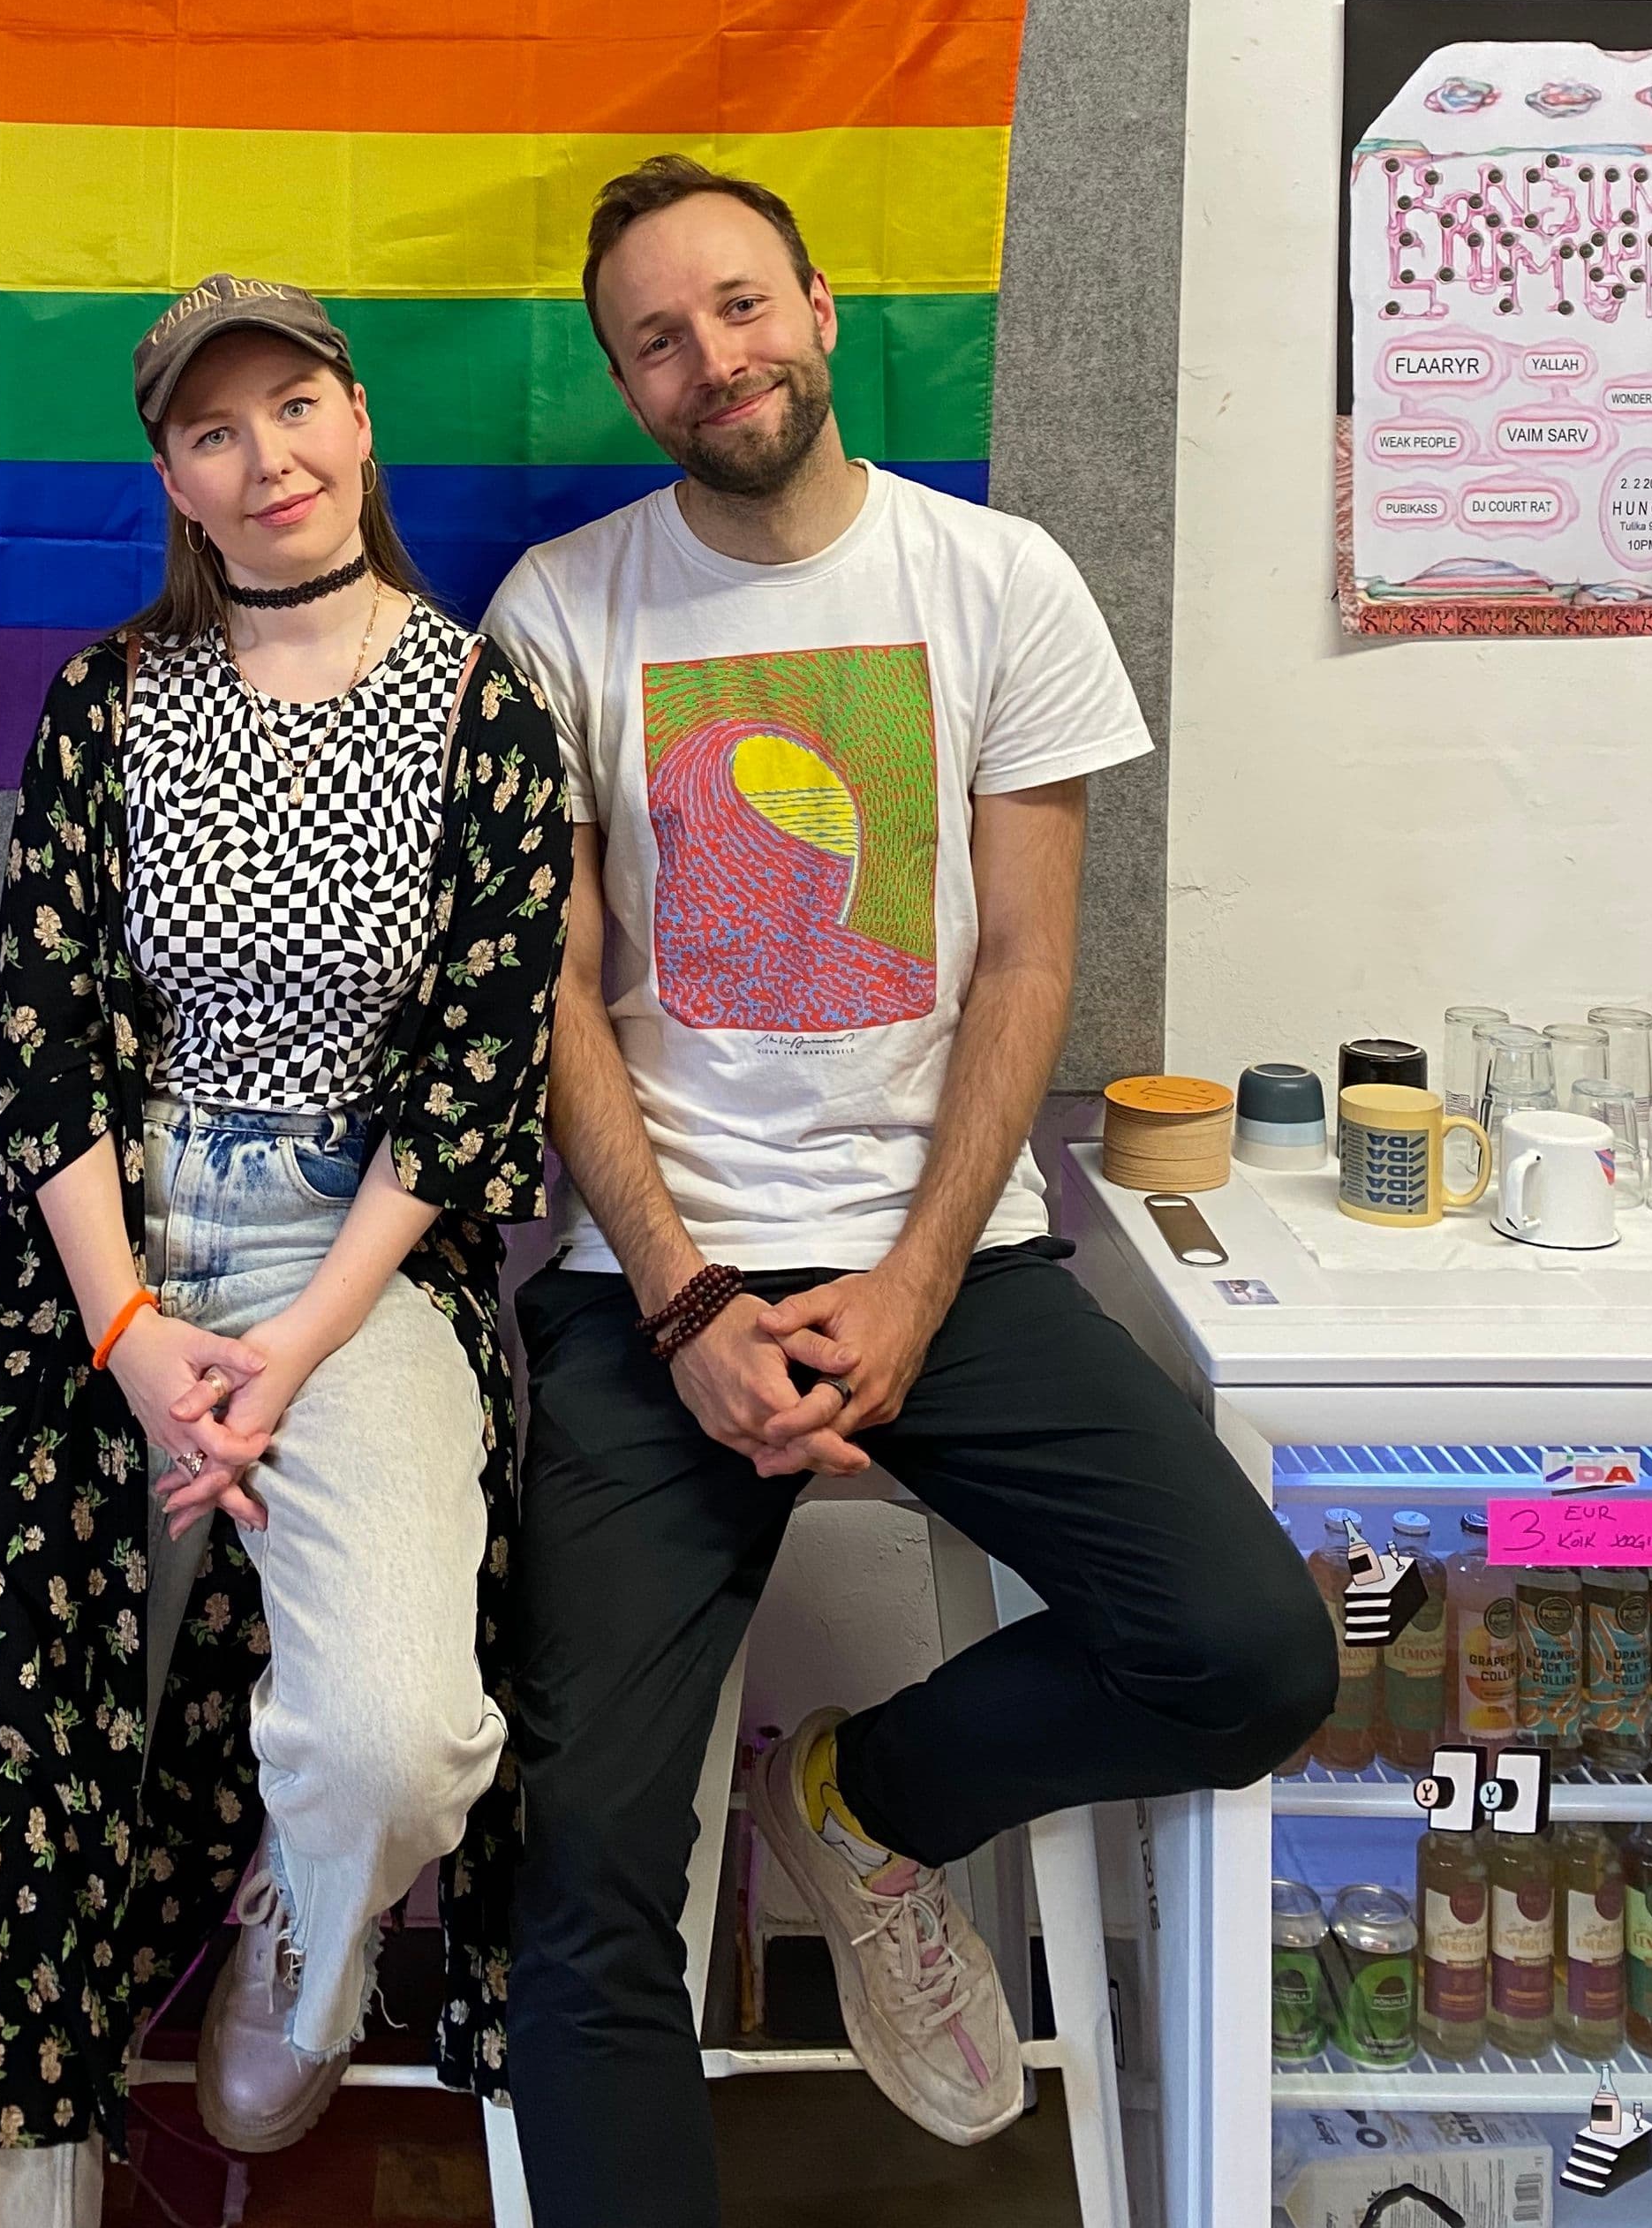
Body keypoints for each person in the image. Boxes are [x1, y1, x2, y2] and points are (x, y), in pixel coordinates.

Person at [486, 157, 1337, 2224]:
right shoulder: (560, 610)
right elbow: (557, 997)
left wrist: (919, 1279)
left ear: (824, 309)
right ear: (624, 382)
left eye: (741, 305)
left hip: (951, 1259)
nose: (713, 360)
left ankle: (863, 1802)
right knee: (579, 1865)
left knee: (1252, 1656)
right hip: (655, 1288)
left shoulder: (999, 581)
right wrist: (686, 1300)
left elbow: (1027, 965)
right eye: (658, 339)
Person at [0, 275, 571, 2225]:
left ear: (361, 420)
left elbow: (475, 1083)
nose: (269, 459)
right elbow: (44, 1044)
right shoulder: (108, 702)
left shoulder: (489, 713)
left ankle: (307, 1932)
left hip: (363, 1257)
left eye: (297, 406)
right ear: (173, 478)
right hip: (112, 1253)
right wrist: (134, 1337)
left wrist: (297, 1348)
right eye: (214, 431)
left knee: (403, 1741)